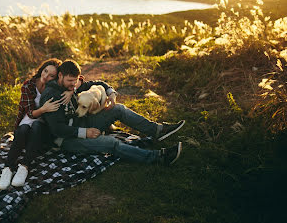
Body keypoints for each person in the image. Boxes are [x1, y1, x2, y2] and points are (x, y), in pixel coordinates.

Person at [39, 59, 185, 165]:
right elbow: (57, 129)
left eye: (75, 80)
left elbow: (98, 83)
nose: (73, 84)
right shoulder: (51, 96)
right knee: (111, 143)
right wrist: (86, 133)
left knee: (119, 109)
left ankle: (158, 130)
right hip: (67, 139)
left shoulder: (70, 87)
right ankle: (158, 157)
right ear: (60, 76)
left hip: (84, 123)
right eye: (70, 80)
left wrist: (111, 94)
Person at [0, 58, 71, 190]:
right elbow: (30, 113)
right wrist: (44, 109)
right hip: (29, 120)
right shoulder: (28, 85)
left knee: (36, 126)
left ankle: (24, 166)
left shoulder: (55, 87)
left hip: (42, 127)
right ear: (41, 69)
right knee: (23, 129)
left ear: (56, 77)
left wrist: (70, 91)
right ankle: (7, 168)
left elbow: (77, 80)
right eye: (45, 71)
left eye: (51, 75)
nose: (46, 76)